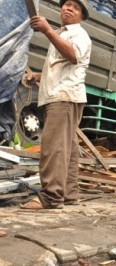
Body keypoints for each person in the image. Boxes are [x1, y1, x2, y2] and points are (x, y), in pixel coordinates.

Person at [20, 0, 91, 209]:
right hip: (63, 95)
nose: (68, 8)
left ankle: (51, 196)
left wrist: (47, 30)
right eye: (66, 4)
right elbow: (61, 68)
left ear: (82, 16)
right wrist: (37, 77)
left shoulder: (78, 34)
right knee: (68, 149)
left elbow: (73, 56)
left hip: (64, 97)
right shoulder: (63, 34)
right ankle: (68, 194)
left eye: (75, 7)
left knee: (54, 147)